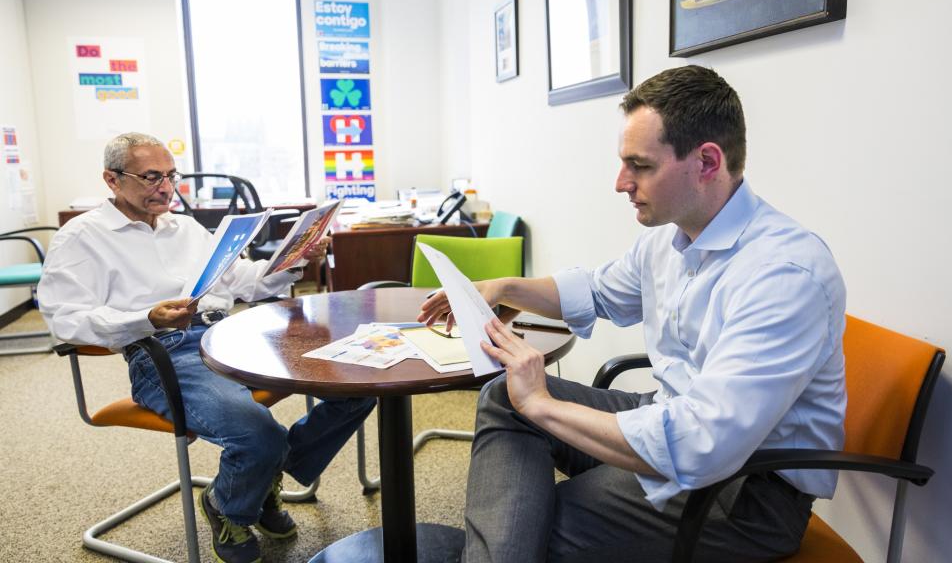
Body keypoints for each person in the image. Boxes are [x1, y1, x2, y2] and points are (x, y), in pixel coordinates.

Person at [419, 66, 846, 562]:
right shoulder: (671, 238)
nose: (621, 183)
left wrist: (545, 404)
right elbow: (596, 291)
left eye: (639, 166)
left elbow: (703, 442)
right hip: (670, 416)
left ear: (707, 161)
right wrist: (505, 286)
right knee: (504, 399)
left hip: (746, 491)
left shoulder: (785, 273)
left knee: (536, 522)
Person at [38, 133, 376, 563]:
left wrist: (296, 260)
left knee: (361, 381)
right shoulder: (81, 237)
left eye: (171, 175)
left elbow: (241, 281)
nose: (166, 187)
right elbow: (64, 319)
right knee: (259, 436)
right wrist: (147, 318)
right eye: (151, 177)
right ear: (112, 179)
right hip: (163, 351)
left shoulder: (184, 227)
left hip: (232, 334)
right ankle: (227, 505)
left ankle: (261, 477)